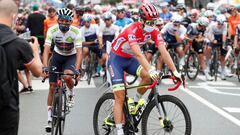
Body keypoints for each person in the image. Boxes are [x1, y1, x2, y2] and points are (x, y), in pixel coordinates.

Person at [108, 3, 182, 135]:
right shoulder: (131, 29)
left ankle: (135, 103)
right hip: (116, 60)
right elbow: (138, 54)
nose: (152, 25)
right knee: (119, 96)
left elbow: (164, 52)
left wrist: (175, 71)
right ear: (141, 20)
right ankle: (119, 131)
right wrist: (152, 70)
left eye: (154, 22)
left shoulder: (154, 30)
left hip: (130, 59)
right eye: (150, 22)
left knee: (147, 77)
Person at [0, 0, 43, 135]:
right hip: (6, 107)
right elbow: (38, 72)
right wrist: (35, 51)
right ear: (13, 17)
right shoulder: (18, 43)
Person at [42, 8, 82, 132]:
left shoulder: (76, 31)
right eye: (62, 21)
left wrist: (77, 69)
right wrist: (44, 66)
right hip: (57, 56)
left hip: (71, 56)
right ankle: (49, 119)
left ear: (71, 22)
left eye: (67, 21)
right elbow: (46, 49)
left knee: (67, 76)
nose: (64, 23)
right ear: (58, 20)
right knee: (52, 86)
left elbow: (79, 52)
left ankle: (71, 94)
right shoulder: (52, 30)